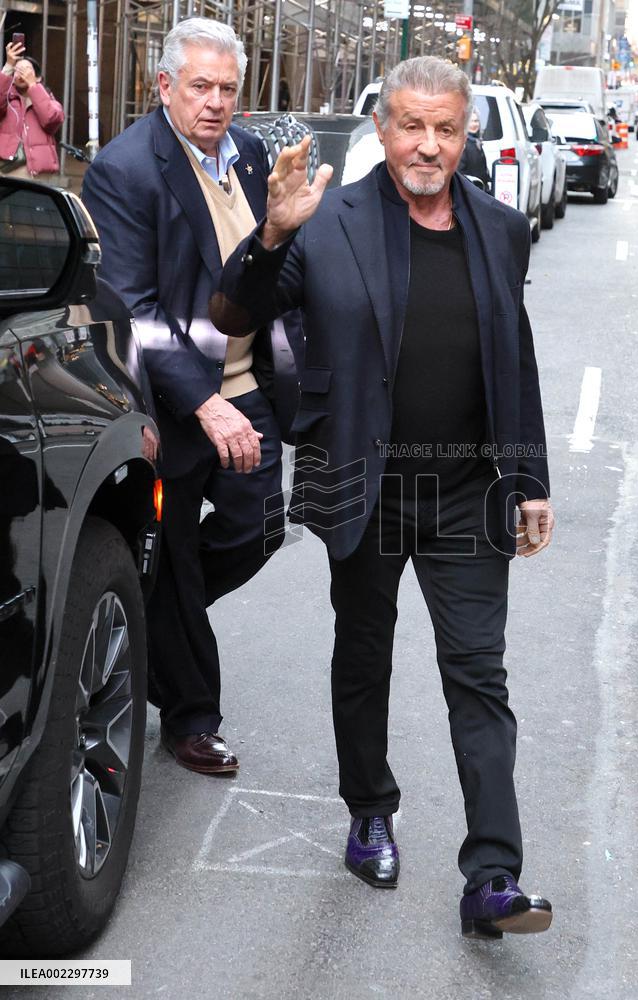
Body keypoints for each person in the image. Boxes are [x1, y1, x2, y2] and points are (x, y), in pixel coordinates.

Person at [212, 56, 556, 938]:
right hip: (357, 477)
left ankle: (493, 878)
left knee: (478, 674)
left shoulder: (499, 226)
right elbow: (233, 315)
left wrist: (530, 481)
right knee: (363, 657)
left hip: (468, 489)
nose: (427, 145)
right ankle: (370, 813)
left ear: (466, 132)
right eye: (411, 125)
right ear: (382, 126)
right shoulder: (327, 223)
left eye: (446, 128)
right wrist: (272, 236)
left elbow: (512, 362)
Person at [82, 18, 300, 775]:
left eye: (227, 89)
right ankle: (191, 716)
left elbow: (267, 265)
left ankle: (149, 625)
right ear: (164, 85)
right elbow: (133, 308)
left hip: (247, 384)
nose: (214, 103)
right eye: (199, 86)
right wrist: (203, 405)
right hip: (171, 403)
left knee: (260, 525)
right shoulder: (126, 169)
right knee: (174, 556)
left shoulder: (247, 153)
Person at [0, 42, 64, 178]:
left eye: (27, 70)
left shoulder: (47, 99)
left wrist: (33, 86)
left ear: (38, 77)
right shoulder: (7, 98)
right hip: (9, 169)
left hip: (39, 172)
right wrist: (8, 66)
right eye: (17, 70)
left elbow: (52, 119)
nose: (21, 73)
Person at [457, 108, 490, 191]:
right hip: (471, 191)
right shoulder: (463, 144)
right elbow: (461, 173)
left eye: (476, 121)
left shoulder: (476, 142)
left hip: (481, 190)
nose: (474, 124)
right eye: (470, 121)